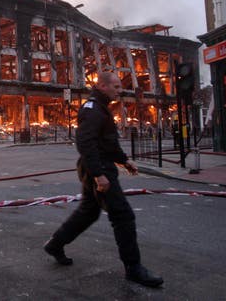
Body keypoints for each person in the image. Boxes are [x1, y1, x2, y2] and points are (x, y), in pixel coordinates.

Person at [44, 72, 163, 288]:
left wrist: (125, 161)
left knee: (88, 212)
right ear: (102, 85)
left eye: (119, 87)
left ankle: (55, 244)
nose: (120, 90)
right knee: (122, 216)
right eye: (116, 87)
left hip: (100, 166)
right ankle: (134, 268)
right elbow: (86, 143)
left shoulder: (101, 108)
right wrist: (99, 175)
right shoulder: (92, 110)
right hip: (98, 168)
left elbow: (108, 142)